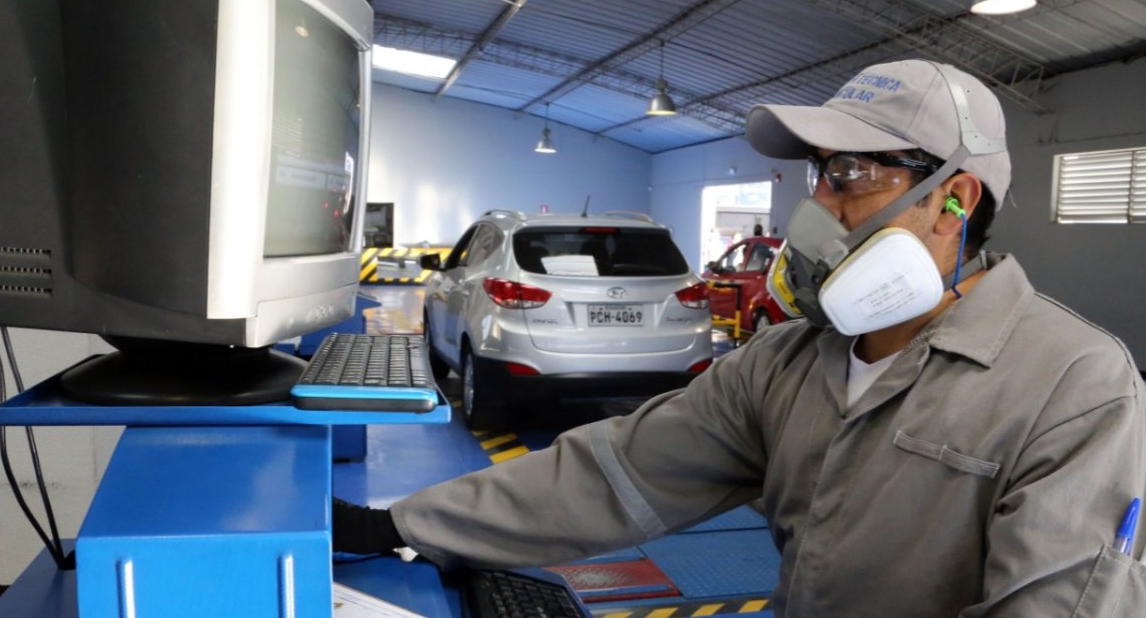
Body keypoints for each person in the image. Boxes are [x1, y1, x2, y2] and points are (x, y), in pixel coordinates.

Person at [334, 60, 1146, 616]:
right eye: (817, 172)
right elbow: (609, 476)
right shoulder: (788, 364)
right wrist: (400, 522)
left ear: (954, 200)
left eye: (850, 174)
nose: (817, 206)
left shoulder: (1072, 387)